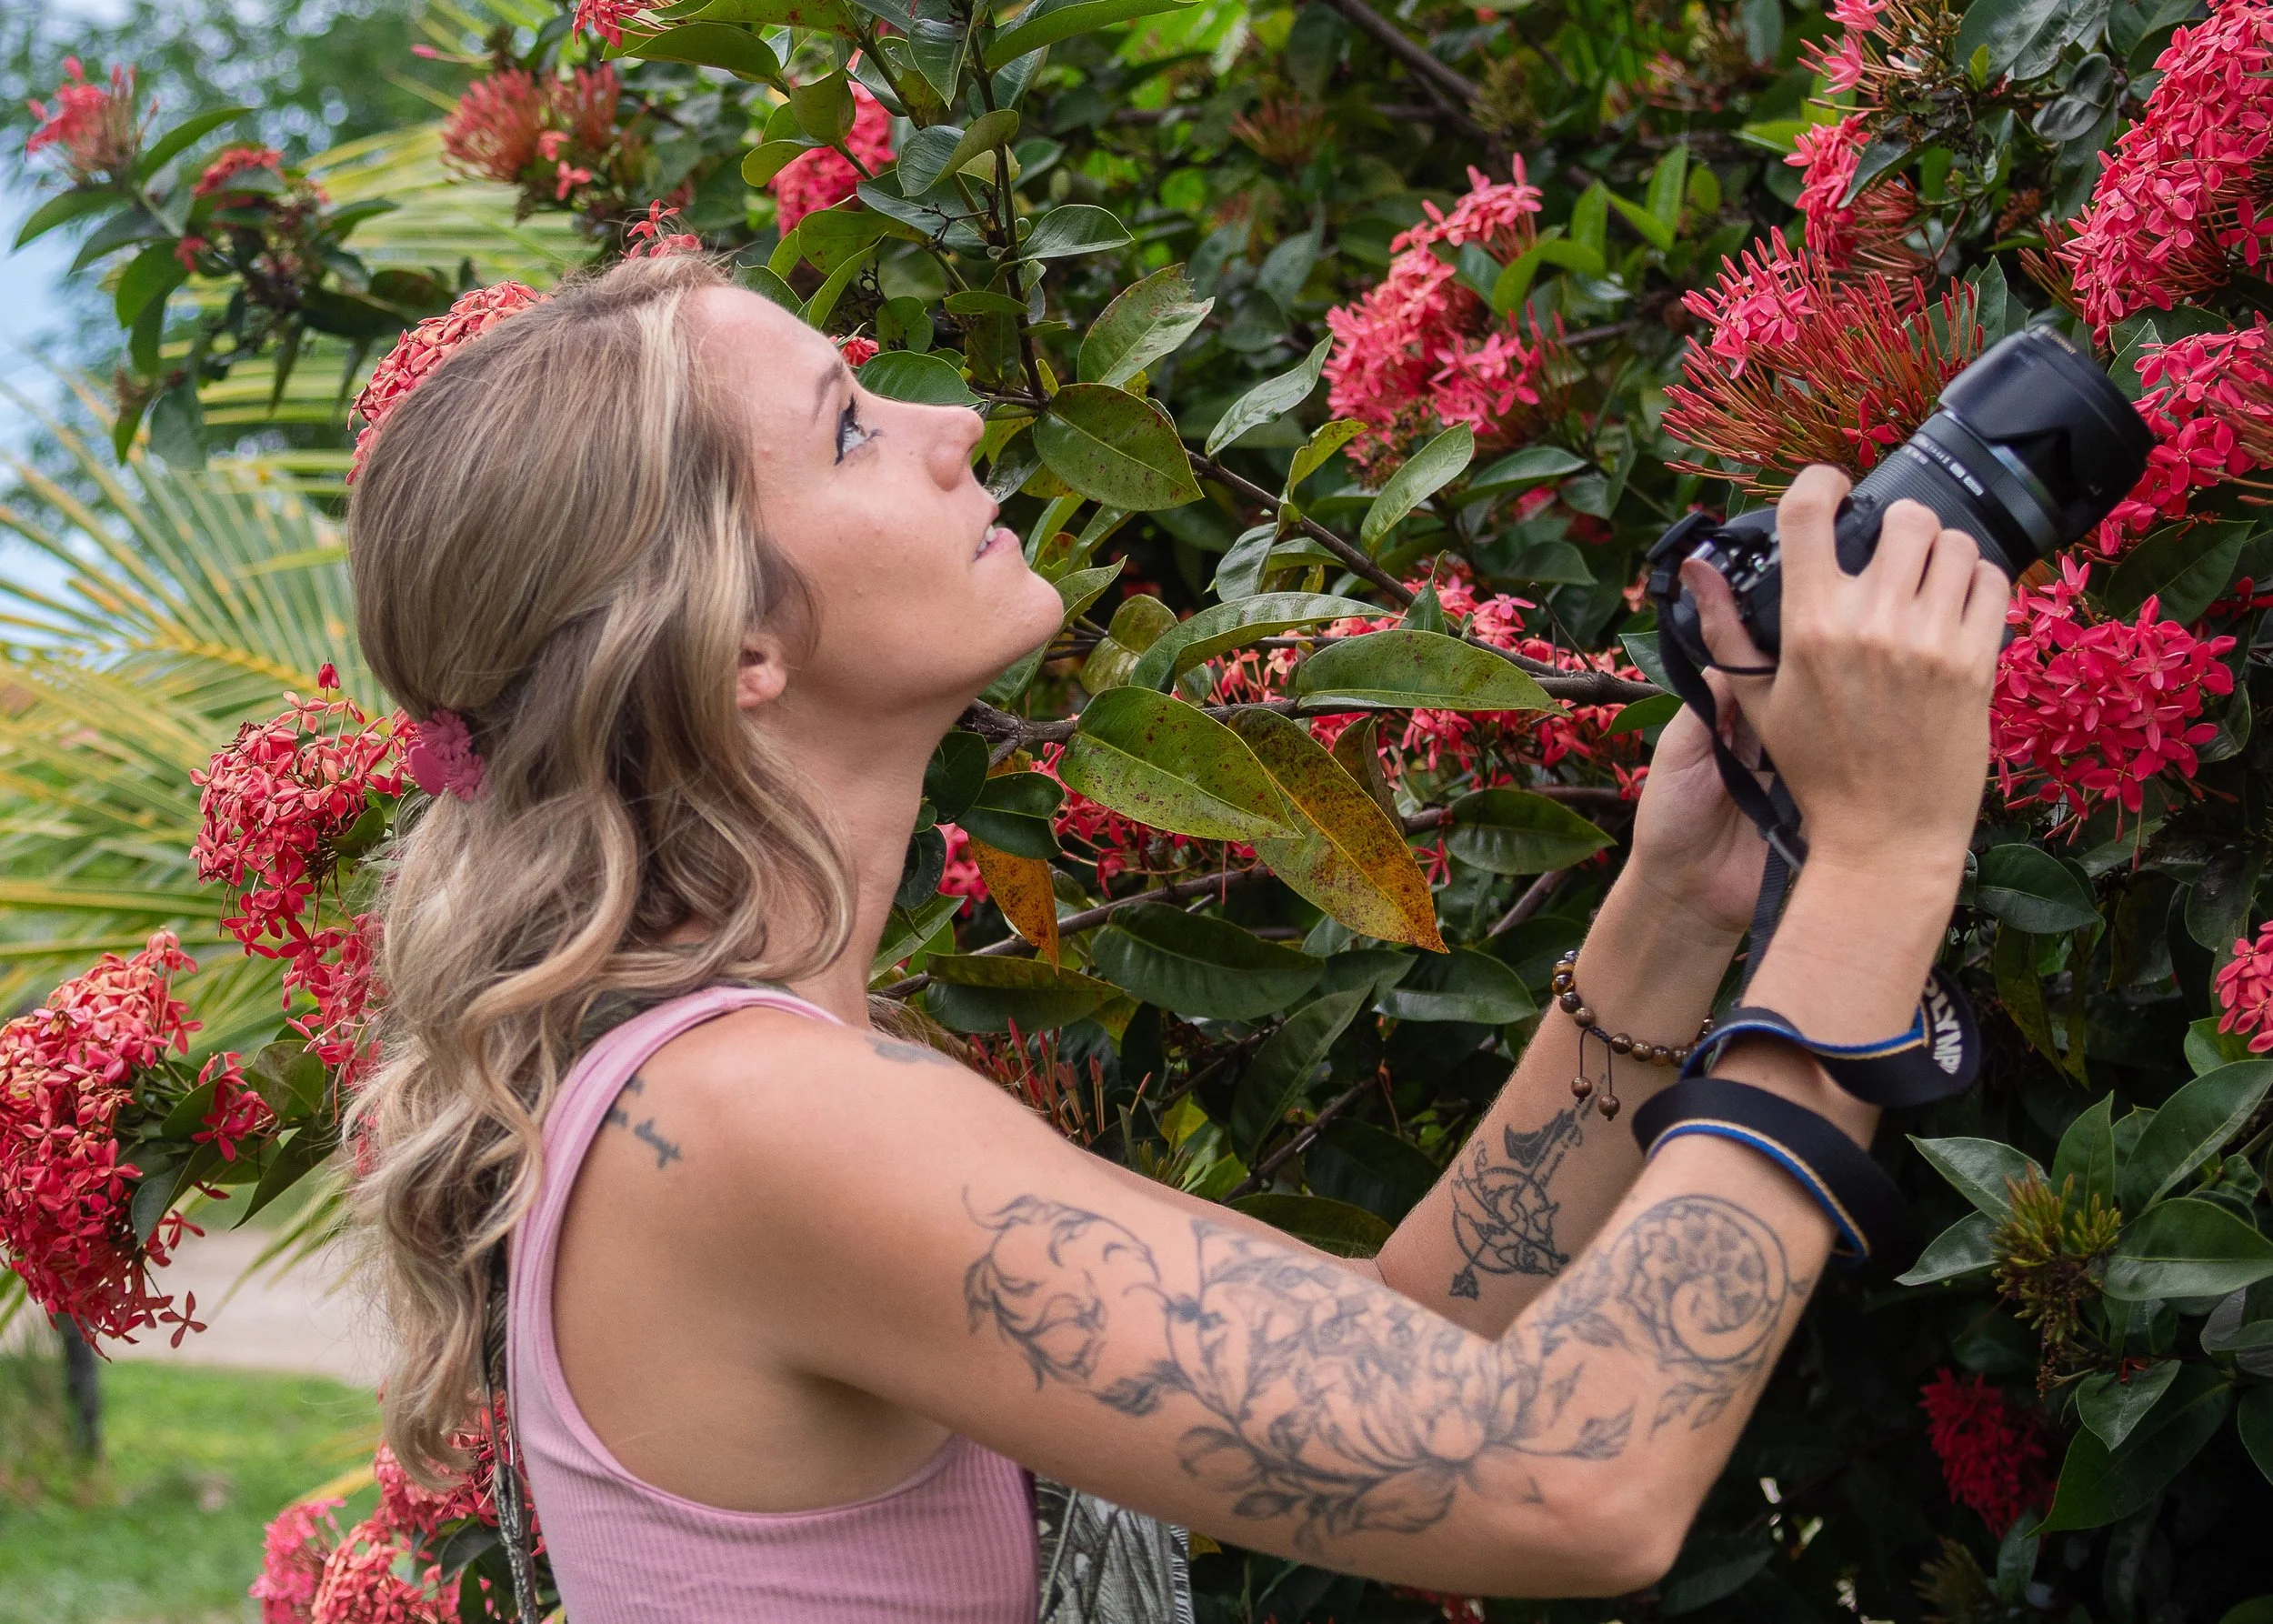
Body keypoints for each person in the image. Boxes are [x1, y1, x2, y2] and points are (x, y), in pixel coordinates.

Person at [345, 252, 2009, 1621]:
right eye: (850, 430)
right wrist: (1872, 864)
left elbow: (1411, 1344)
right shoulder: (753, 1125)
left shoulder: (750, 1094)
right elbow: (1570, 1477)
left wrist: (1682, 901)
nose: (956, 421)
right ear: (735, 641)